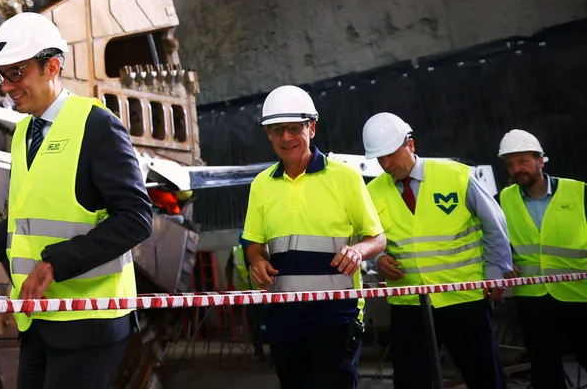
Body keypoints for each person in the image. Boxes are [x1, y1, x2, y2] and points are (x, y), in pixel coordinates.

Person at [0, 12, 153, 389]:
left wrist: (53, 266)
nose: (7, 86)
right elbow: (24, 224)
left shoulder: (96, 125)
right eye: (2, 75)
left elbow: (136, 218)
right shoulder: (24, 132)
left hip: (88, 320)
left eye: (17, 73)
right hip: (40, 321)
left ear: (52, 66)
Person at [242, 85, 386, 389]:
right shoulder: (261, 185)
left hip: (337, 315)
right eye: (276, 130)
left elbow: (378, 238)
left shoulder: (345, 177)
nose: (286, 138)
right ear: (267, 133)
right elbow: (254, 243)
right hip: (285, 316)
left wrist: (358, 251)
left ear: (312, 128)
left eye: (294, 129)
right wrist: (256, 262)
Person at [361, 112, 511, 389]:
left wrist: (494, 272)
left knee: (484, 377)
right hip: (409, 304)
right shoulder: (372, 192)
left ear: (411, 145)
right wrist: (378, 260)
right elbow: (368, 238)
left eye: (391, 154)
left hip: (463, 298)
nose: (386, 164)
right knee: (411, 381)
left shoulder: (454, 175)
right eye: (379, 158)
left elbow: (495, 224)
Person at [496, 129, 587, 389]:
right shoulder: (503, 199)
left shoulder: (578, 192)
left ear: (540, 160)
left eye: (523, 161)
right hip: (532, 299)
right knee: (544, 369)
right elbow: (491, 238)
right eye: (511, 164)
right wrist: (502, 261)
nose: (517, 169)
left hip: (579, 295)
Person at [225, 233, 267, 359]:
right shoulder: (236, 252)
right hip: (249, 296)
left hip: (264, 295)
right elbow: (228, 268)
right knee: (254, 323)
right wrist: (230, 285)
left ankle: (272, 349)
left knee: (266, 322)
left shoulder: (260, 252)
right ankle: (258, 351)